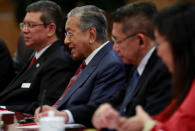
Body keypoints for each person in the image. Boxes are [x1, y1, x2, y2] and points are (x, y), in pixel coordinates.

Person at [35, 2, 171, 127]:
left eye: (118, 41)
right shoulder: (135, 67)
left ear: (140, 41)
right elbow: (109, 104)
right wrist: (65, 115)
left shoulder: (163, 71)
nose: (115, 48)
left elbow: (152, 121)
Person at [100, 2, 195, 131]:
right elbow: (164, 122)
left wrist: (147, 124)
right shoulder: (134, 66)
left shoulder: (163, 72)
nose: (158, 51)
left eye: (159, 43)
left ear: (181, 45)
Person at [34, 4, 127, 122]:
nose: (66, 41)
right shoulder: (88, 61)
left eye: (70, 34)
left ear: (91, 35)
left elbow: (98, 112)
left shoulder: (111, 65)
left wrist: (63, 115)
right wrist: (52, 111)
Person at [0, 1, 79, 114]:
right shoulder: (35, 55)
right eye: (24, 25)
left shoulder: (59, 61)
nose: (24, 30)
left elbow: (44, 107)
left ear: (51, 29)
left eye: (31, 25)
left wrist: (3, 108)